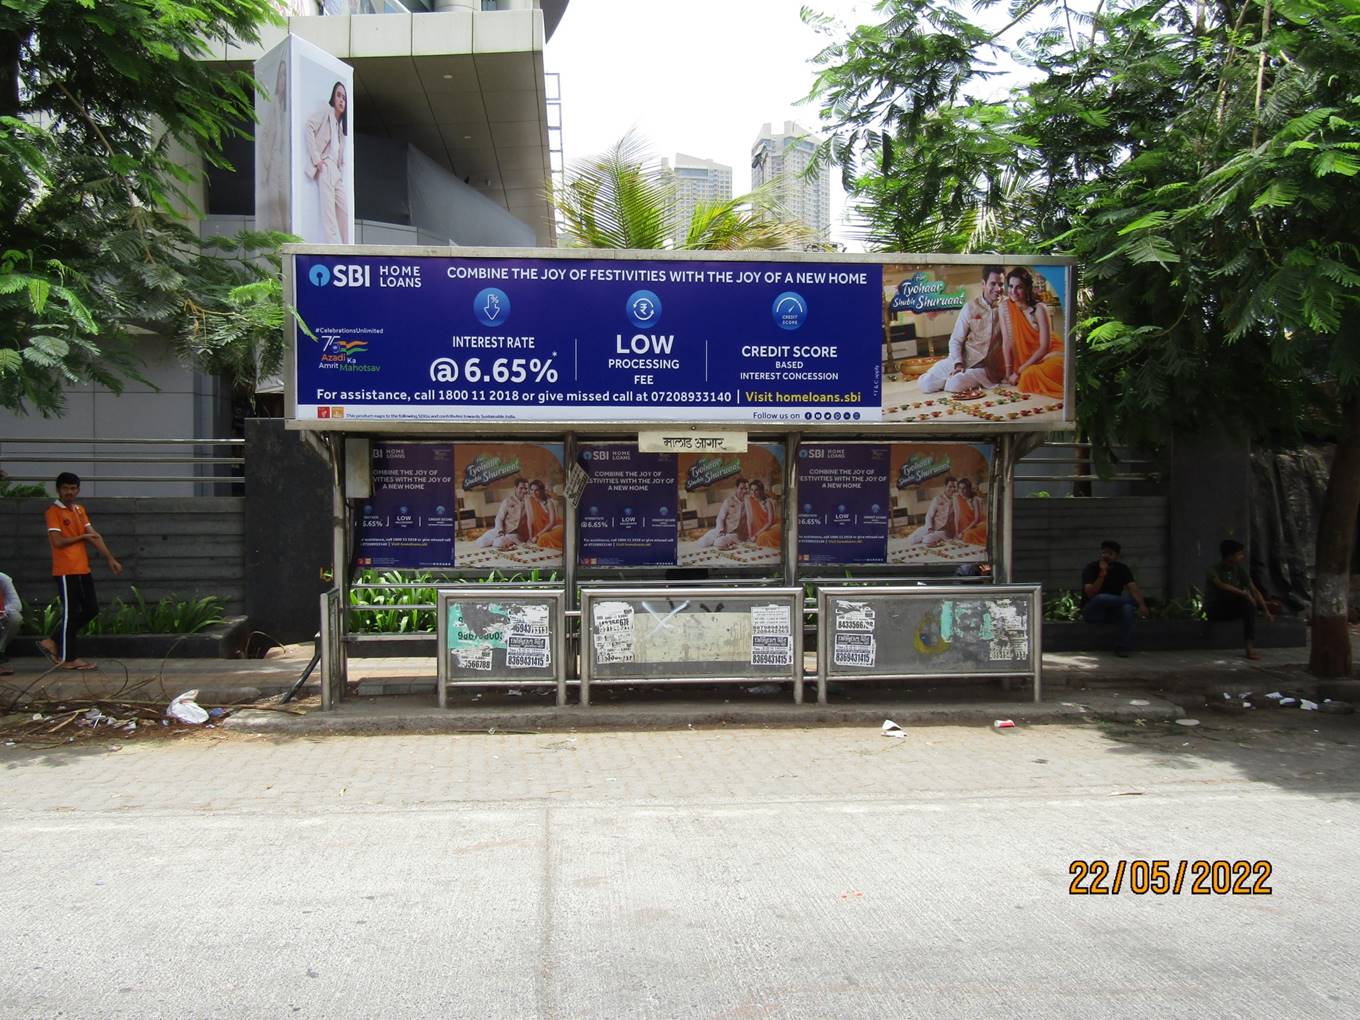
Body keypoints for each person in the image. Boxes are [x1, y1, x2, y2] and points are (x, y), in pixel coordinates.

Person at [38, 472, 122, 671]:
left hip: (82, 567)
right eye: (65, 488)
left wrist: (110, 558)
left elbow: (93, 535)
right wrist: (82, 537)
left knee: (91, 609)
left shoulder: (79, 510)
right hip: (65, 570)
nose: (69, 492)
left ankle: (52, 641)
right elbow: (58, 542)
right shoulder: (53, 512)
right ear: (59, 490)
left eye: (73, 488)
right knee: (71, 612)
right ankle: (68, 658)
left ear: (77, 490)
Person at [917, 265, 1006, 394]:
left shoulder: (1007, 307)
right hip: (964, 359)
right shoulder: (970, 307)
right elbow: (956, 340)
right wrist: (958, 363)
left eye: (1001, 284)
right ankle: (953, 376)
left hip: (985, 367)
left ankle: (956, 379)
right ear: (983, 284)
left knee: (953, 385)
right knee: (926, 384)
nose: (998, 289)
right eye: (993, 284)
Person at [999, 266, 1064, 397]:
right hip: (1026, 361)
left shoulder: (1039, 309)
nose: (1013, 291)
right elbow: (1006, 343)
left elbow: (1044, 347)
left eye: (1019, 287)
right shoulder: (1004, 308)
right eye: (1011, 286)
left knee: (1033, 374)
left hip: (1048, 355)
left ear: (1027, 288)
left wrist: (1019, 371)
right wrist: (1008, 373)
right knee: (1029, 376)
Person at [1206, 539, 1273, 659]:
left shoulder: (1240, 570)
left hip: (1231, 608)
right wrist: (1244, 594)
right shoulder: (1213, 569)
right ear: (1230, 556)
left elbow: (1254, 590)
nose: (1242, 557)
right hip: (1216, 610)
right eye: (1239, 554)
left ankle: (1249, 648)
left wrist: (1266, 611)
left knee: (1248, 605)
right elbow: (1222, 585)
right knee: (1242, 598)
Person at [1080, 539, 1148, 656]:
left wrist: (1142, 605)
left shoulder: (1122, 569)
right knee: (1102, 598)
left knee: (1127, 608)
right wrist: (1102, 573)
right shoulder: (1091, 568)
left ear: (1117, 556)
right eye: (1104, 553)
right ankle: (1133, 602)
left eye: (1110, 553)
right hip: (1093, 612)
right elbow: (1090, 594)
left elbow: (1133, 588)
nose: (1106, 556)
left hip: (1112, 612)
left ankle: (1122, 647)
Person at [305, 81, 350, 244]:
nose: (341, 100)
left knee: (344, 211)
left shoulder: (340, 129)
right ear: (333, 98)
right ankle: (334, 249)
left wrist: (339, 171)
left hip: (336, 172)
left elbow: (339, 156)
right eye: (338, 96)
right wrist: (317, 159)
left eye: (344, 98)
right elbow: (309, 127)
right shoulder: (326, 113)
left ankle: (347, 247)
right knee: (329, 213)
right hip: (325, 166)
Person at [475, 478, 529, 550]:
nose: (524, 491)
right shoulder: (507, 501)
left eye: (525, 488)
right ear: (515, 488)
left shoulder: (528, 502)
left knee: (499, 543)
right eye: (521, 488)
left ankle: (498, 540)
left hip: (514, 534)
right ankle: (495, 538)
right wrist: (500, 531)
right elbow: (499, 518)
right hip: (502, 530)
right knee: (481, 543)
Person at [698, 478, 749, 550]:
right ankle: (714, 536)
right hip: (724, 530)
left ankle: (720, 541)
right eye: (741, 488)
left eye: (746, 489)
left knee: (719, 542)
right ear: (736, 488)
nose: (744, 491)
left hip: (735, 534)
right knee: (703, 543)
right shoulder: (728, 501)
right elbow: (720, 518)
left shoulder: (748, 502)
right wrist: (721, 530)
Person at [906, 477, 957, 547]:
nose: (952, 489)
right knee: (911, 540)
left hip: (944, 531)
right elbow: (929, 515)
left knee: (927, 540)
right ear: (945, 486)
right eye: (950, 486)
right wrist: (930, 528)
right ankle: (925, 534)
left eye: (954, 487)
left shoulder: (956, 500)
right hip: (933, 526)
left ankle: (928, 537)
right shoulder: (937, 499)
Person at [526, 479, 564, 550]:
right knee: (542, 539)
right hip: (541, 530)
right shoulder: (529, 501)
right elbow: (529, 520)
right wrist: (530, 537)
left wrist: (537, 536)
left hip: (553, 528)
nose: (533, 493)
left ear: (541, 490)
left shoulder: (549, 502)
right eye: (532, 490)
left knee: (543, 538)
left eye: (536, 490)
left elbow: (552, 522)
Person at [745, 479, 781, 549]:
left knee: (763, 537)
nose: (753, 492)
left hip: (772, 527)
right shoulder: (748, 500)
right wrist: (750, 535)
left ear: (761, 491)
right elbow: (749, 519)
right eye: (751, 490)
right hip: (759, 528)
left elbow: (770, 522)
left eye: (756, 490)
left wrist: (755, 535)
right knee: (760, 538)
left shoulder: (767, 502)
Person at [955, 477, 988, 547]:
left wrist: (963, 532)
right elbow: (956, 516)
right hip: (967, 525)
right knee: (963, 536)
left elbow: (977, 519)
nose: (961, 491)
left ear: (969, 489)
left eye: (964, 488)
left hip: (979, 524)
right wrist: (957, 531)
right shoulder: (957, 499)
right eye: (960, 488)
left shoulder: (974, 500)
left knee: (968, 535)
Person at [0, 571, 21, 676]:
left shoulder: (3, 579)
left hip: (1, 616)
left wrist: (3, 611)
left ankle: (0, 652)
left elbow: (16, 604)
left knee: (15, 617)